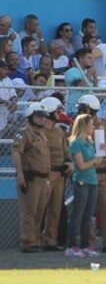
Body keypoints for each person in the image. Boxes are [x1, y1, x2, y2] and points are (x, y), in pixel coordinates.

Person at [78, 94, 106, 253]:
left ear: (90, 109)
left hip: (103, 174)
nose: (79, 111)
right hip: (87, 172)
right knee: (86, 209)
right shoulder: (77, 125)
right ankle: (87, 243)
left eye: (82, 108)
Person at [11, 103, 52, 253]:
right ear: (31, 116)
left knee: (40, 210)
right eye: (39, 116)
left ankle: (35, 240)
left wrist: (47, 180)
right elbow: (16, 153)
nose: (42, 119)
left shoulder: (42, 135)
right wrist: (20, 175)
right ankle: (28, 241)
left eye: (43, 117)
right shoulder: (23, 134)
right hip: (31, 178)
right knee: (30, 211)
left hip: (42, 178)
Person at [65, 113, 106, 258]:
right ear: (84, 126)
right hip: (82, 181)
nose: (93, 127)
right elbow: (81, 166)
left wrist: (101, 152)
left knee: (88, 215)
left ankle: (84, 245)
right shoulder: (76, 143)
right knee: (78, 214)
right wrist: (95, 161)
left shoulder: (89, 142)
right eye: (91, 124)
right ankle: (71, 245)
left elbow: (96, 162)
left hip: (92, 181)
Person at [41, 97, 72, 251]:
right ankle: (35, 239)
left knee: (56, 209)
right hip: (45, 175)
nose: (60, 113)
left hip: (59, 175)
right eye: (57, 111)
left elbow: (66, 152)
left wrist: (70, 163)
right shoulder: (39, 132)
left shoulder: (60, 131)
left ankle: (51, 241)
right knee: (40, 209)